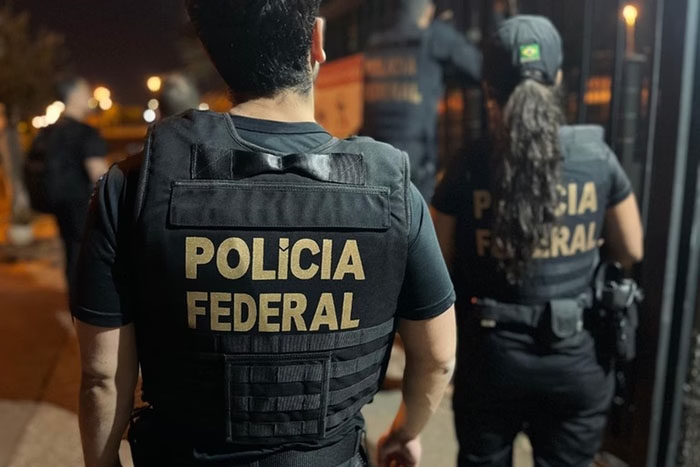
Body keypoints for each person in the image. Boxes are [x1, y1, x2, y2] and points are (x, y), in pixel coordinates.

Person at [72, 1, 457, 466]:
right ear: (316, 42)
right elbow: (437, 358)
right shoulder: (391, 189)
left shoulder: (131, 186)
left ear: (213, 53)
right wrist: (404, 432)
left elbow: (102, 378)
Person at [431, 16, 644, 467]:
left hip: (491, 358)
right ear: (559, 78)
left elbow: (439, 259)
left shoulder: (468, 164)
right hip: (576, 356)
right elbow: (631, 249)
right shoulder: (596, 157)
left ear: (489, 88)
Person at [361, 0, 482, 200]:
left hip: (373, 162)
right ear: (427, 12)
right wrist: (445, 28)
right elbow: (478, 67)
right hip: (414, 166)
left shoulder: (375, 42)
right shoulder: (434, 36)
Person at [28, 77, 109, 303]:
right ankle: (87, 307)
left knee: (71, 253)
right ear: (72, 95)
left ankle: (74, 301)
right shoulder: (85, 133)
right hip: (83, 206)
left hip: (59, 203)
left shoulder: (50, 131)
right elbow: (100, 175)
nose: (88, 95)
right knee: (87, 256)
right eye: (84, 90)